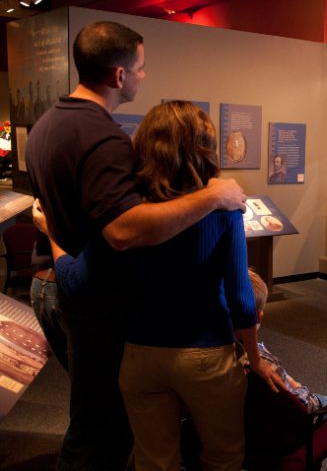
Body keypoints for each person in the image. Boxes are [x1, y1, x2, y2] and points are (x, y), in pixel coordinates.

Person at [25, 21, 245, 471]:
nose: (145, 77)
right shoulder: (102, 136)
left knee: (110, 428)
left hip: (64, 284)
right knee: (100, 433)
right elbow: (123, 231)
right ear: (119, 76)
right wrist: (214, 195)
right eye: (141, 68)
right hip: (93, 299)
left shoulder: (48, 123)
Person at [37, 101, 283, 470]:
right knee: (224, 457)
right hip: (208, 358)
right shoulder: (223, 211)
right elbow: (240, 298)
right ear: (205, 148)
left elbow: (76, 278)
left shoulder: (130, 216)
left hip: (141, 357)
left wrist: (52, 232)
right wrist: (255, 359)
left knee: (154, 462)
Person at [249, 269, 327, 419]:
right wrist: (300, 387)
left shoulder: (218, 353)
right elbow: (299, 401)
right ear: (259, 317)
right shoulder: (263, 364)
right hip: (289, 411)